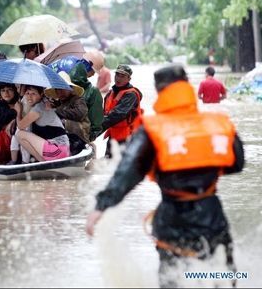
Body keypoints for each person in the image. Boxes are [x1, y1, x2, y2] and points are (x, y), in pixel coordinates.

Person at [86, 65, 245, 288]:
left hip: (172, 217)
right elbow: (237, 164)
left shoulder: (152, 129)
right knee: (221, 277)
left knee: (172, 280)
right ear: (187, 86)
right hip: (211, 215)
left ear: (160, 91)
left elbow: (128, 174)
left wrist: (101, 206)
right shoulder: (219, 123)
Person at [15, 85, 70, 162]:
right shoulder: (43, 104)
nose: (29, 97)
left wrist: (18, 111)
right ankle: (40, 161)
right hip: (62, 151)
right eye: (27, 93)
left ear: (41, 95)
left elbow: (20, 126)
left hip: (57, 151)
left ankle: (41, 161)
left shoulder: (39, 108)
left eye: (33, 93)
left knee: (20, 134)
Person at [44, 71, 90, 155]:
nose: (60, 92)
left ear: (70, 88)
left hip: (80, 136)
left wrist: (56, 111)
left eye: (63, 88)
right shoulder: (59, 103)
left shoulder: (78, 100)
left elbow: (80, 113)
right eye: (58, 89)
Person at [102, 64, 143, 158]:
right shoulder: (110, 93)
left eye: (122, 76)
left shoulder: (131, 95)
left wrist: (96, 130)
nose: (118, 78)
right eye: (117, 75)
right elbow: (104, 114)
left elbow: (118, 114)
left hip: (128, 137)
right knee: (107, 163)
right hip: (113, 135)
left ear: (129, 79)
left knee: (119, 165)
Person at [67, 50, 105, 141]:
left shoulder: (61, 83)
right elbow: (96, 124)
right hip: (79, 139)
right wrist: (88, 138)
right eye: (93, 71)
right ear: (87, 66)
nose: (93, 74)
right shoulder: (93, 92)